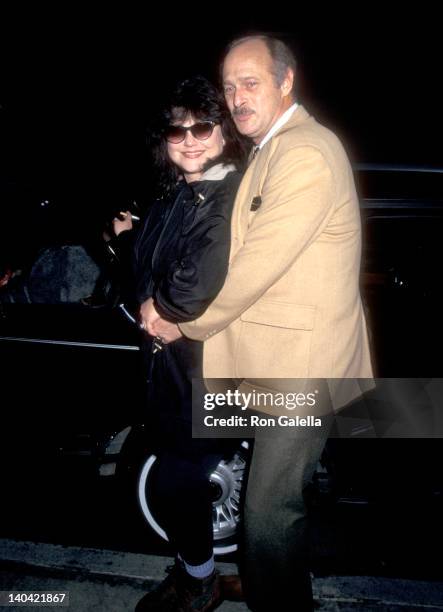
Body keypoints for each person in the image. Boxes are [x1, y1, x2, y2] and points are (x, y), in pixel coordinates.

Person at [149, 35, 373, 612]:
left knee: (270, 508)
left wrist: (181, 322)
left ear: (285, 81)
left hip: (301, 374)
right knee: (205, 464)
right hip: (272, 368)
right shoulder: (274, 148)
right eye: (229, 86)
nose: (238, 97)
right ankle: (261, 576)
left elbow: (253, 268)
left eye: (251, 82)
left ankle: (279, 599)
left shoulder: (304, 153)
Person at [120, 76, 246, 612]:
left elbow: (190, 291)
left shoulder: (226, 197)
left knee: (178, 477)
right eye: (178, 129)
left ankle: (201, 582)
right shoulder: (182, 193)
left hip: (210, 368)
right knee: (176, 470)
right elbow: (142, 270)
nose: (190, 139)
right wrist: (130, 241)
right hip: (174, 367)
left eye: (203, 126)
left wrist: (161, 309)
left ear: (224, 133)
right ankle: (203, 573)